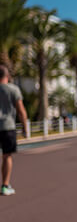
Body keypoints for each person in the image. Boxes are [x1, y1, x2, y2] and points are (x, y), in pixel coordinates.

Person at [0, 64, 29, 196]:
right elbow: (21, 110)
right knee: (7, 156)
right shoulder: (13, 89)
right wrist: (25, 127)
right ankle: (5, 186)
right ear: (7, 76)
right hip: (7, 127)